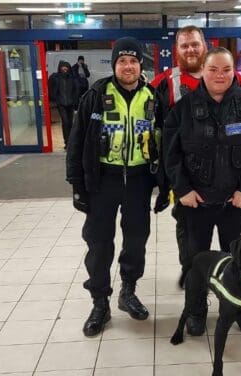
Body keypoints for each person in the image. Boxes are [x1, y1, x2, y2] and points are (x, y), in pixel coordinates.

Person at [164, 47, 241, 335]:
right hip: (194, 203)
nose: (219, 75)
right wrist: (182, 188)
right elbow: (170, 153)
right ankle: (196, 310)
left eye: (225, 69)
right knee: (195, 260)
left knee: (239, 260)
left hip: (233, 203)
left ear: (233, 71)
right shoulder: (184, 108)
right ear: (204, 71)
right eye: (213, 69)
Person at [66, 37, 165, 337]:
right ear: (114, 65)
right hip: (102, 182)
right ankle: (99, 303)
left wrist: (165, 186)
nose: (128, 66)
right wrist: (77, 186)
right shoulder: (96, 95)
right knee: (99, 245)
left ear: (140, 65)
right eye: (122, 61)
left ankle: (128, 292)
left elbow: (165, 142)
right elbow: (77, 142)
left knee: (136, 241)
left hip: (139, 181)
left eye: (133, 61)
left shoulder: (152, 97)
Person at [151, 25, 241, 288]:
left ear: (205, 46)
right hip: (187, 180)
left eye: (195, 44)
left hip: (230, 179)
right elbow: (159, 134)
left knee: (235, 240)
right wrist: (170, 181)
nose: (190, 50)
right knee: (190, 235)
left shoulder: (232, 77)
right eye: (184, 45)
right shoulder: (164, 82)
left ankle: (234, 286)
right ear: (177, 50)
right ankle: (193, 278)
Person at [49, 60, 80, 149]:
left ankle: (70, 141)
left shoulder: (72, 78)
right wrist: (55, 98)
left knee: (70, 123)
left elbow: (76, 90)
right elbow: (51, 88)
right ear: (60, 67)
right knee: (65, 122)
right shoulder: (56, 78)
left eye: (66, 67)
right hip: (61, 104)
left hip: (71, 103)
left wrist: (76, 100)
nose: (65, 68)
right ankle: (67, 142)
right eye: (63, 67)